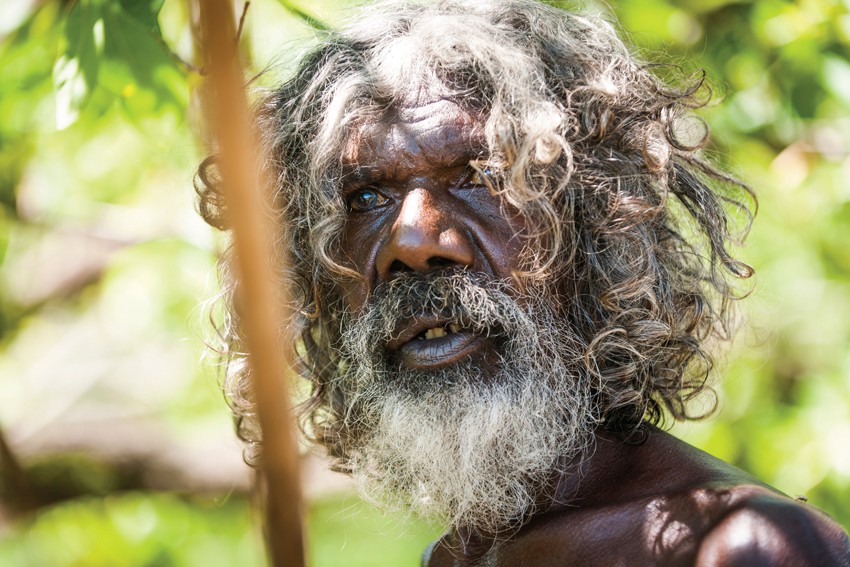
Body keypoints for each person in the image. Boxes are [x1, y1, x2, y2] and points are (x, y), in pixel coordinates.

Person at [196, 0, 850, 564]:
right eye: (366, 196)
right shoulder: (453, 558)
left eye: (477, 175)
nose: (414, 240)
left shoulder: (741, 547)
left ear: (595, 225)